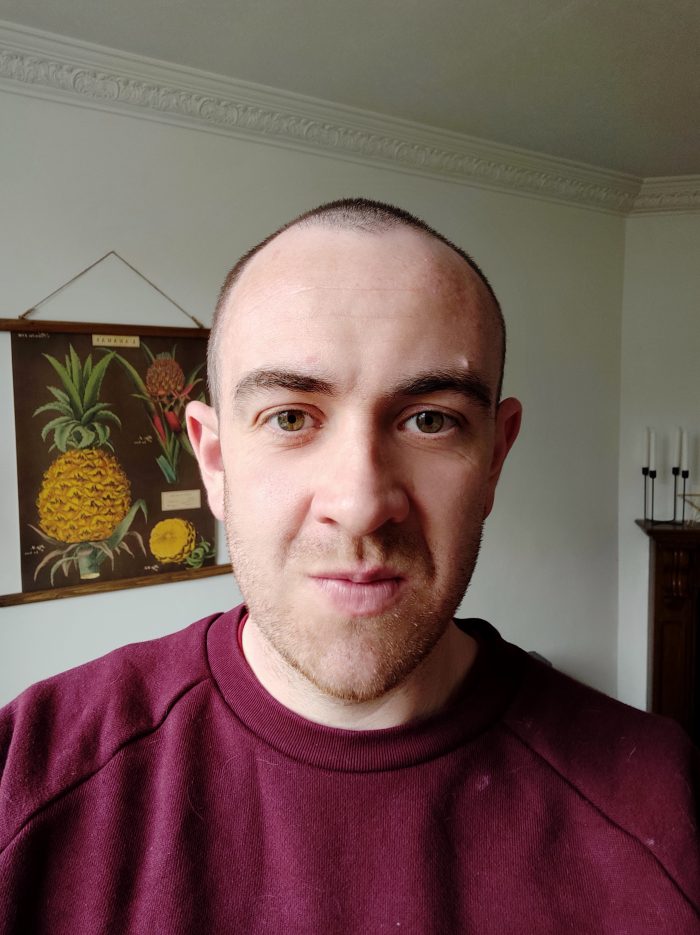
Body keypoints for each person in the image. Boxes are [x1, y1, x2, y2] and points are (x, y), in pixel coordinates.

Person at [0, 199, 697, 934]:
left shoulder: (660, 806)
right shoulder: (26, 779)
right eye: (290, 417)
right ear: (213, 460)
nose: (361, 504)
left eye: (430, 419)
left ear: (495, 456)